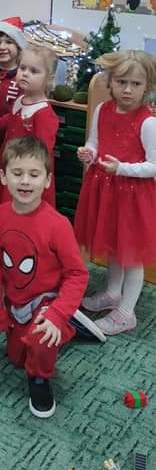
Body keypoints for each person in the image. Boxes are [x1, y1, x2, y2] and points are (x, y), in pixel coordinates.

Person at [0, 137, 100, 419]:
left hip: (47, 299)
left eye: (34, 174)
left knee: (40, 344)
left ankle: (40, 378)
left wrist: (57, 314)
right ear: (4, 177)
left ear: (47, 181)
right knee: (16, 358)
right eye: (17, 173)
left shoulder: (58, 224)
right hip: (16, 301)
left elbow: (77, 274)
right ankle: (71, 326)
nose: (25, 181)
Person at [75, 50, 156, 335]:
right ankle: (112, 293)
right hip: (105, 191)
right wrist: (89, 153)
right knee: (113, 245)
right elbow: (95, 141)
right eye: (122, 82)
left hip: (133, 197)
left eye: (136, 84)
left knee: (131, 255)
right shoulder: (102, 109)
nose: (128, 90)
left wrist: (122, 168)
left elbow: (154, 166)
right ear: (110, 82)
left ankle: (126, 313)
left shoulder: (148, 122)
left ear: (147, 86)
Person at [0, 45, 59, 216]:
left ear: (49, 78)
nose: (25, 74)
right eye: (22, 68)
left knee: (19, 208)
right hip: (8, 161)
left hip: (26, 173)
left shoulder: (44, 113)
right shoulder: (19, 100)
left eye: (34, 71)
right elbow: (7, 122)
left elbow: (43, 151)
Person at [0, 17, 26, 118]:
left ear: (19, 46)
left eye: (9, 42)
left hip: (11, 126)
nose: (2, 47)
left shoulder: (24, 76)